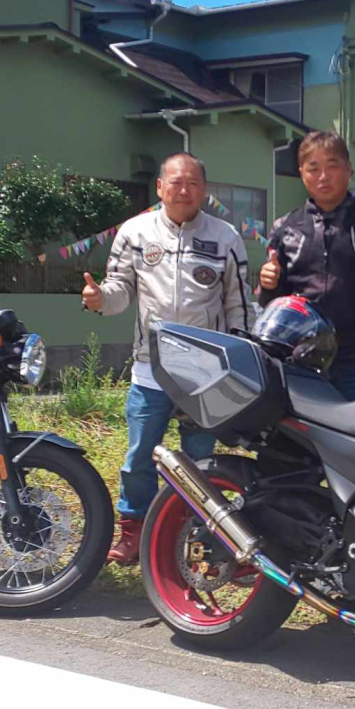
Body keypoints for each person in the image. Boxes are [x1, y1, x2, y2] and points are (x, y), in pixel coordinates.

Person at [82, 153, 253, 564]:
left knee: (200, 459)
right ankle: (133, 531)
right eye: (175, 182)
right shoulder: (135, 232)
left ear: (204, 190)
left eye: (193, 183)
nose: (184, 189)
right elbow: (120, 288)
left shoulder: (226, 236)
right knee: (139, 455)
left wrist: (242, 356)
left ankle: (195, 534)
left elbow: (238, 304)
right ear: (159, 187)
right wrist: (100, 299)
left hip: (205, 372)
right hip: (150, 369)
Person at [259, 131, 355, 400]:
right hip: (299, 361)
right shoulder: (286, 228)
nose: (323, 176)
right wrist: (267, 284)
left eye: (332, 166)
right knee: (300, 441)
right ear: (301, 174)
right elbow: (272, 304)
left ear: (348, 169)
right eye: (314, 168)